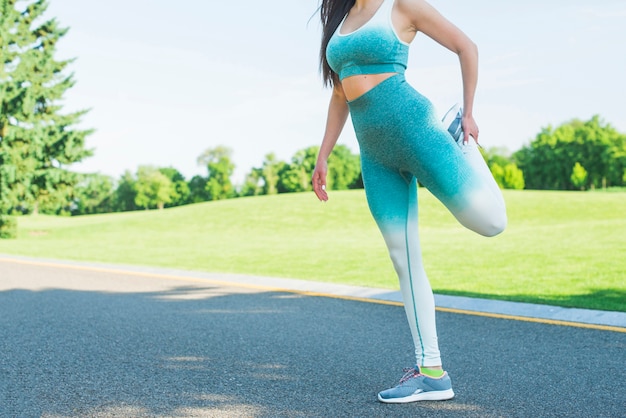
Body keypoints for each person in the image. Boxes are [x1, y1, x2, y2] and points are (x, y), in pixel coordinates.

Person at [311, 0, 507, 404]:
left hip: (416, 129)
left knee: (491, 223)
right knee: (403, 258)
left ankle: (461, 143)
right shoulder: (340, 20)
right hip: (375, 155)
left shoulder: (401, 5)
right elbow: (339, 93)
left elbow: (466, 46)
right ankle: (431, 373)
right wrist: (323, 154)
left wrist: (469, 115)